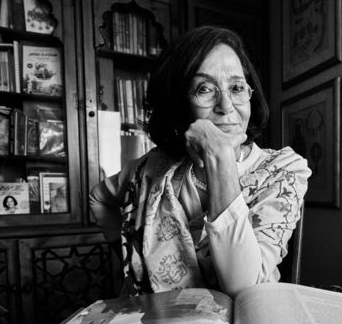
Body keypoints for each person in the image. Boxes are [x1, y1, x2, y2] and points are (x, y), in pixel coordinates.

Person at [90, 25, 311, 297]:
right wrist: (130, 254)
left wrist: (221, 159)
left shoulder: (283, 170)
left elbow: (245, 290)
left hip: (242, 320)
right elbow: (99, 198)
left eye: (237, 87)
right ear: (178, 102)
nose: (226, 106)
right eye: (204, 88)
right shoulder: (153, 168)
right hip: (157, 318)